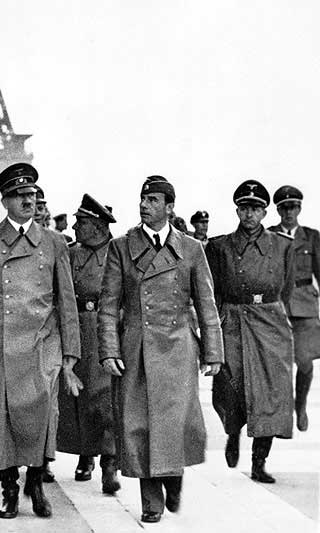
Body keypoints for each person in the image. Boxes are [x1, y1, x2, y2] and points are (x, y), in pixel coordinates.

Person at [0, 163, 82, 519]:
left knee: (41, 416)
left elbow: (66, 299)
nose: (29, 201)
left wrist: (71, 350)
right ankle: (9, 488)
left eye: (32, 195)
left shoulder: (55, 242)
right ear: (5, 201)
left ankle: (37, 482)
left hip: (42, 343)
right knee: (0, 421)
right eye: (20, 196)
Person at [98, 175, 222, 523]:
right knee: (138, 424)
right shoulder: (121, 247)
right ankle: (151, 499)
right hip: (136, 346)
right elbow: (109, 304)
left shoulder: (192, 249)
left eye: (153, 200)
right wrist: (109, 349)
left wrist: (213, 353)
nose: (144, 205)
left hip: (178, 346)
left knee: (174, 421)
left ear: (170, 207)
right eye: (142, 198)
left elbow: (207, 303)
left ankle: (174, 475)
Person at [206, 179, 295, 484]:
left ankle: (259, 460)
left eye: (256, 208)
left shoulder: (283, 245)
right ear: (237, 210)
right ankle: (233, 431)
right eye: (244, 208)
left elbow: (289, 287)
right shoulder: (219, 247)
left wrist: (279, 319)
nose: (250, 214)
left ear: (265, 211)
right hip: (232, 319)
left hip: (270, 321)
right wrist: (215, 322)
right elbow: (211, 288)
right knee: (231, 386)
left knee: (270, 391)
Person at [56, 194, 120, 495]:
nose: (74, 226)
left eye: (80, 222)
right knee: (76, 399)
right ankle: (85, 454)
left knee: (105, 399)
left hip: (106, 329)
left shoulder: (118, 253)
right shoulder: (69, 253)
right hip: (75, 328)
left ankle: (109, 461)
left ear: (97, 225)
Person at [268, 186, 319, 432]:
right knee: (278, 364)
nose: (289, 212)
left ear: (299, 208)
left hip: (306, 306)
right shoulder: (269, 235)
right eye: (284, 207)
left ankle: (301, 405)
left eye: (293, 207)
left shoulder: (311, 237)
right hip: (278, 305)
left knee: (305, 361)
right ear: (277, 210)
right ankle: (283, 410)